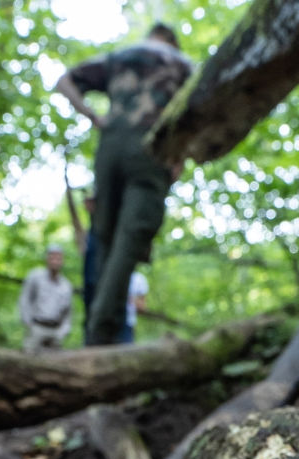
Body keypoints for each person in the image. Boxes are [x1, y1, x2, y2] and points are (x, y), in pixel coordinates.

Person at [55, 22, 192, 345]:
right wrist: (181, 153)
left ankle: (96, 334)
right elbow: (204, 106)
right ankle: (101, 339)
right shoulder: (182, 64)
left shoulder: (120, 56)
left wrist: (92, 116)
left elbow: (64, 81)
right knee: (129, 242)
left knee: (103, 241)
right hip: (151, 148)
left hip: (110, 145)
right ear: (172, 41)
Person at [19, 244, 73, 353]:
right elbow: (25, 299)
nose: (55, 261)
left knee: (56, 363)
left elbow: (68, 313)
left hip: (56, 330)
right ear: (47, 259)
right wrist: (28, 323)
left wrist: (63, 331)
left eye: (58, 258)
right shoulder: (35, 277)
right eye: (52, 257)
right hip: (37, 326)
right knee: (28, 358)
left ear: (62, 260)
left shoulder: (66, 285)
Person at [118, 271, 149, 343]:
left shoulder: (139, 279)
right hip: (107, 324)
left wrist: (128, 299)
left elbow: (142, 307)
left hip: (128, 324)